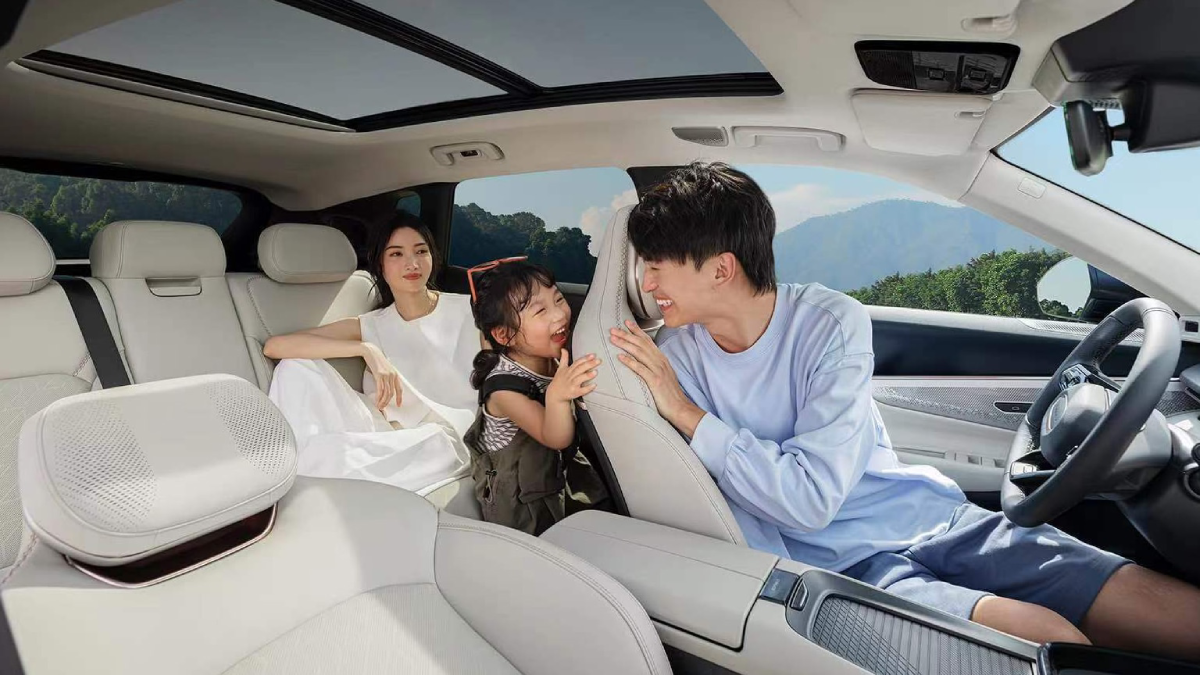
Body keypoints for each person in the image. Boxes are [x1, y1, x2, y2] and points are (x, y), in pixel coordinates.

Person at [610, 161, 1200, 660]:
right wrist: (682, 408)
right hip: (841, 566)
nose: (647, 281)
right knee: (1050, 640)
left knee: (1152, 605)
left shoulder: (828, 322)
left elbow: (809, 491)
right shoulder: (673, 361)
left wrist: (690, 416)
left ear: (721, 268)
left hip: (927, 515)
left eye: (658, 264)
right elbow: (809, 513)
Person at [264, 212, 479, 494]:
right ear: (380, 264)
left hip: (445, 438)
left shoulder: (471, 310)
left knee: (334, 463)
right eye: (397, 254)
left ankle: (312, 475)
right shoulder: (372, 324)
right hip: (381, 430)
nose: (412, 263)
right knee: (294, 368)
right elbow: (275, 347)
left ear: (432, 257)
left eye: (421, 251)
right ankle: (314, 470)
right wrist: (366, 349)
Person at [463, 258, 609, 535]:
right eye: (541, 311)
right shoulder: (504, 391)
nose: (559, 314)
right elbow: (555, 437)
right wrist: (557, 397)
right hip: (518, 499)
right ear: (505, 334)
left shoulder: (547, 353)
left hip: (553, 471)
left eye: (559, 299)